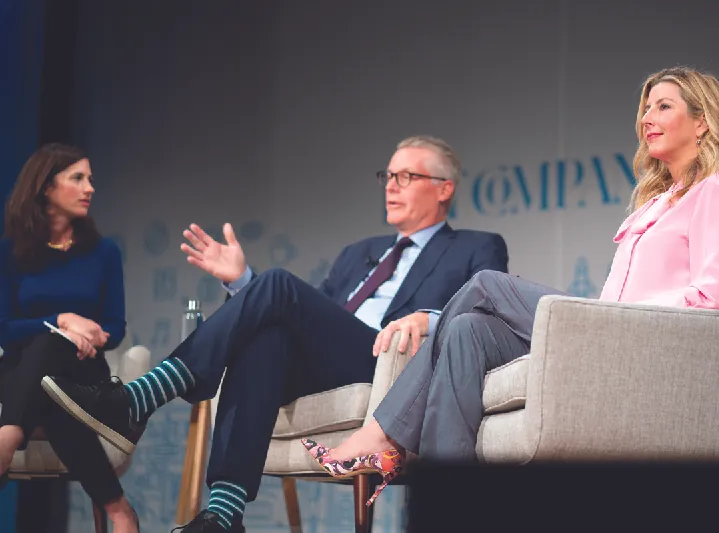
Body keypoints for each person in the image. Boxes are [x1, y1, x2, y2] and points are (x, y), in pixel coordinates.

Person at [300, 66, 719, 505]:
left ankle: (382, 432)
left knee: (484, 285)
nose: (647, 117)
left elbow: (718, 300)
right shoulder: (654, 203)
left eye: (663, 106)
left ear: (702, 122)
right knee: (466, 332)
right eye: (646, 107)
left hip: (636, 337)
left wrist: (624, 314)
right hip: (610, 332)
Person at [41, 135, 509, 532]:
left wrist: (427, 317)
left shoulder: (474, 245)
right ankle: (224, 514)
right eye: (387, 176)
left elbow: (486, 305)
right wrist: (243, 284)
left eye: (406, 176)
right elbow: (307, 313)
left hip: (393, 363)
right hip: (333, 357)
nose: (391, 186)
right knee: (269, 338)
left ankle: (144, 396)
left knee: (280, 285)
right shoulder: (357, 253)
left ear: (444, 189)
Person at [0, 143, 138, 532]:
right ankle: (119, 509)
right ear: (46, 186)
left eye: (90, 179)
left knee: (53, 360)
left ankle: (6, 441)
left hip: (84, 373)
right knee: (49, 382)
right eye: (78, 178)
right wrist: (62, 320)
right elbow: (4, 329)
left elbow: (114, 328)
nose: (89, 187)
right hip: (19, 372)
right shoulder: (9, 253)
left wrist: (80, 334)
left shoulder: (104, 253)